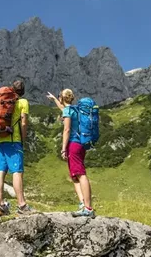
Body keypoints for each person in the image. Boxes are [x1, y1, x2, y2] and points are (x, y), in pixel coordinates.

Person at [47, 89, 95, 217]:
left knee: (80, 174)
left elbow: (67, 130)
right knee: (75, 176)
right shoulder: (75, 109)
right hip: (81, 144)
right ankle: (82, 203)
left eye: (59, 97)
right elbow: (63, 108)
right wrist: (54, 99)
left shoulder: (68, 111)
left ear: (63, 98)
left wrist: (63, 148)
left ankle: (88, 208)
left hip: (73, 145)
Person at [0, 80, 35, 216]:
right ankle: (22, 205)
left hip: (1, 140)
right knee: (17, 172)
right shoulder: (23, 103)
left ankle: (0, 205)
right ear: (23, 92)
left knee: (1, 172)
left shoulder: (4, 100)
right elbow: (23, 122)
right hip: (14, 140)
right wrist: (23, 138)